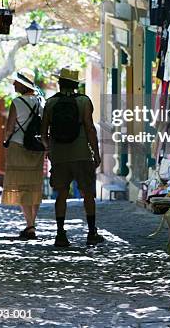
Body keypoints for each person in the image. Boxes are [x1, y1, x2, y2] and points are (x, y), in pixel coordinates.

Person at [41, 67, 103, 248]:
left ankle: (60, 234)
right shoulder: (84, 101)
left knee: (61, 194)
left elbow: (43, 132)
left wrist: (49, 150)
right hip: (81, 154)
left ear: (60, 83)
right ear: (76, 84)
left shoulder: (51, 103)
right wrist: (96, 152)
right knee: (88, 193)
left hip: (59, 156)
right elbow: (90, 129)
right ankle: (91, 233)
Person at [1, 69, 44, 240]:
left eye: (16, 82)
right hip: (37, 148)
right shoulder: (41, 101)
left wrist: (6, 139)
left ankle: (30, 225)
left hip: (18, 146)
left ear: (23, 85)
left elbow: (9, 128)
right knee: (34, 185)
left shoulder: (17, 102)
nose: (13, 84)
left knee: (22, 186)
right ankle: (31, 223)